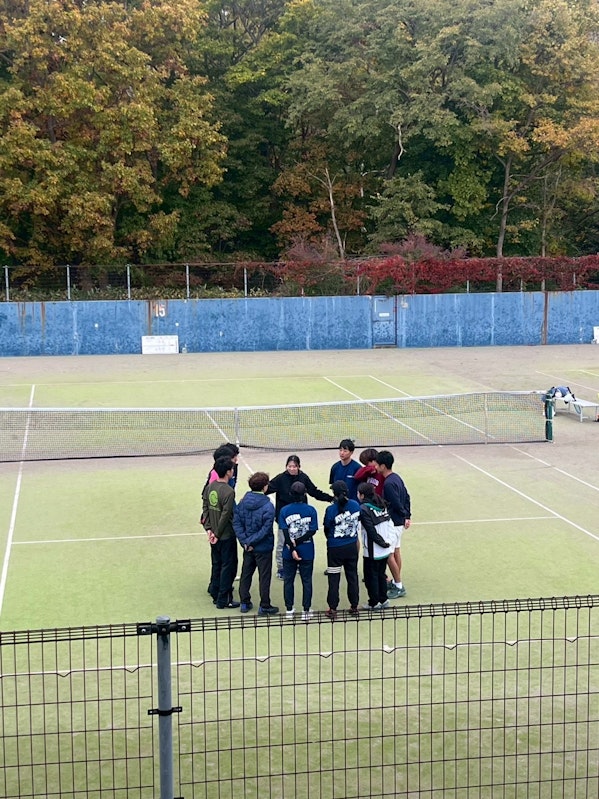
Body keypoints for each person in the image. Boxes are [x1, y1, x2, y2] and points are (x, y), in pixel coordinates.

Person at [267, 455, 333, 580]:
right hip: (285, 518)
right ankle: (281, 568)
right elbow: (266, 489)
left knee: (300, 541)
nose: (292, 469)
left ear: (299, 467)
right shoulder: (280, 478)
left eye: (294, 466)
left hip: (301, 519)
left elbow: (314, 491)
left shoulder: (303, 478)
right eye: (289, 466)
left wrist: (330, 499)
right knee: (282, 543)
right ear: (286, 466)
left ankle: (297, 563)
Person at [233, 471, 279, 615]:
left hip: (248, 547)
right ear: (265, 487)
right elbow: (265, 529)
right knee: (264, 576)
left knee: (246, 573)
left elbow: (237, 523)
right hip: (263, 547)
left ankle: (244, 602)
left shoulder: (242, 502)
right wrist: (250, 541)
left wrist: (245, 542)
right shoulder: (268, 506)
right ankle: (264, 605)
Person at [201, 456, 240, 609]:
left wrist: (209, 529)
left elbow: (205, 508)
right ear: (228, 472)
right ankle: (224, 599)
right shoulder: (229, 491)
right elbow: (226, 515)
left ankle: (215, 592)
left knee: (216, 564)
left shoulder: (210, 487)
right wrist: (217, 533)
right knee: (228, 566)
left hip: (213, 535)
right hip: (225, 536)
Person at [279, 481, 319, 621]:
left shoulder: (284, 510)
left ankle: (289, 610)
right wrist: (300, 542)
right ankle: (306, 611)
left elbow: (285, 533)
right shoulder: (311, 510)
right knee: (306, 581)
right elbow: (312, 531)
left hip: (288, 551)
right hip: (307, 550)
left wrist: (293, 547)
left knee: (288, 580)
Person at [375, 450, 411, 600]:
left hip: (393, 523)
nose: (375, 467)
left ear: (383, 466)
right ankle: (396, 582)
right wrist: (407, 516)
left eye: (377, 464)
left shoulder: (389, 483)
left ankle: (399, 586)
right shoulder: (397, 478)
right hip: (399, 522)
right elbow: (407, 497)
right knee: (396, 551)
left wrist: (403, 515)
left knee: (389, 554)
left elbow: (396, 503)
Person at [323, 480, 360, 618]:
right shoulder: (355, 505)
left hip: (335, 548)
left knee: (334, 579)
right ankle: (354, 606)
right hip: (351, 546)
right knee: (352, 576)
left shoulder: (331, 509)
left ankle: (333, 608)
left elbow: (327, 528)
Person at [357, 482, 393, 610]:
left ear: (362, 495)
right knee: (381, 575)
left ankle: (374, 602)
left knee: (370, 577)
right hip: (385, 549)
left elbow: (371, 531)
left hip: (373, 550)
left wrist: (381, 543)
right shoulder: (381, 504)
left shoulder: (364, 509)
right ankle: (384, 599)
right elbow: (389, 523)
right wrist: (387, 543)